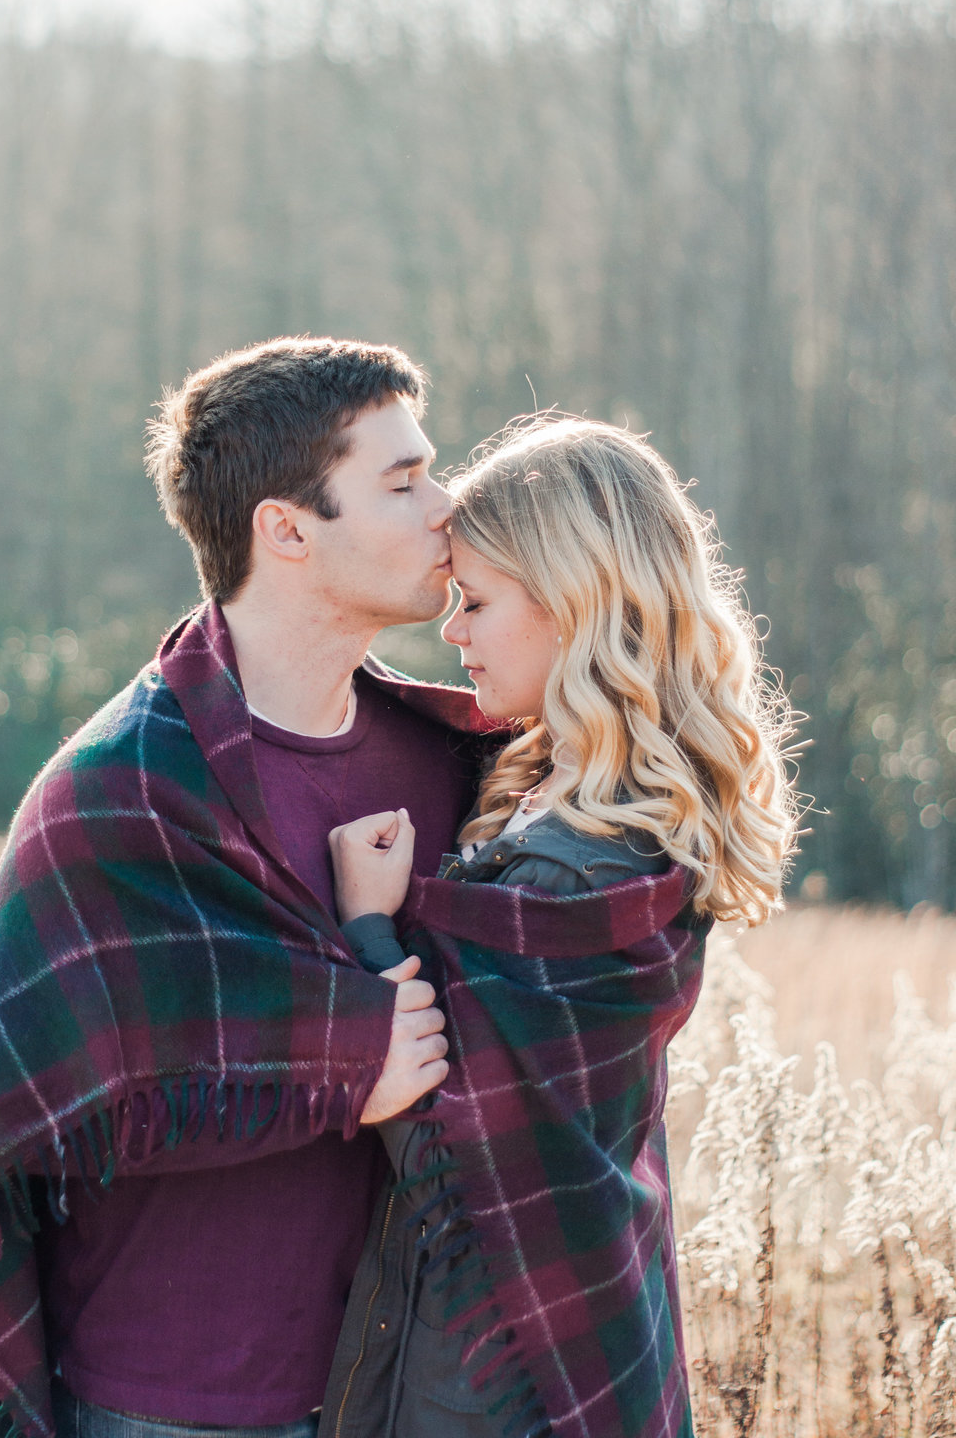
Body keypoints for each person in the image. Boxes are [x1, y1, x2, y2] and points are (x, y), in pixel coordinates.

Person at [0, 337, 496, 1438]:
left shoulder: (454, 762)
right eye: (403, 482)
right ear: (286, 530)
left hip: (407, 1388)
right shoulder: (114, 795)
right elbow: (28, 1122)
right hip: (164, 1403)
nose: (446, 505)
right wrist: (342, 1050)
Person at [319, 416, 798, 1438]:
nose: (452, 632)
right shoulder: (563, 793)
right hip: (558, 1323)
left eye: (477, 602)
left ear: (577, 606)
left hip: (492, 1377)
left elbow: (441, 1134)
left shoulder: (575, 870)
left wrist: (366, 921)